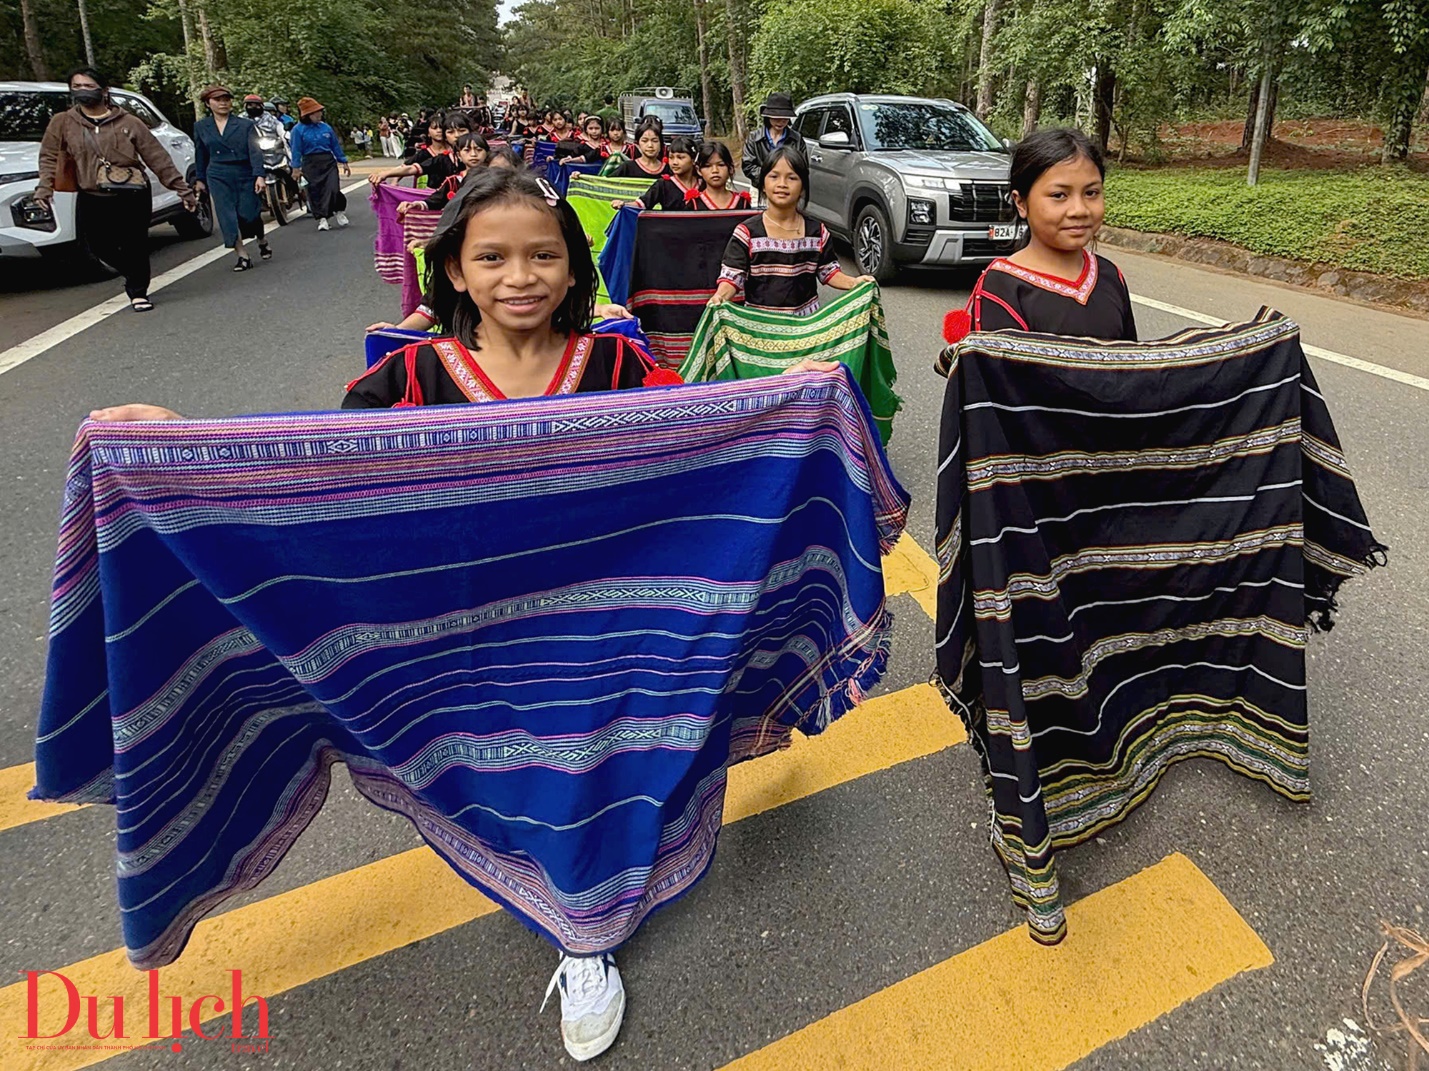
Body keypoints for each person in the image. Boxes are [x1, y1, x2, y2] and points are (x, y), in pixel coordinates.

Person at [941, 127, 1137, 344]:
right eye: (1059, 195)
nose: (1079, 210)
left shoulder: (1110, 275)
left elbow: (1130, 366)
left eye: (1091, 193)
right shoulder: (1003, 286)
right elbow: (996, 375)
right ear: (1021, 202)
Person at [34, 65, 197, 312]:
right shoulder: (63, 122)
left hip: (132, 193)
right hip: (91, 193)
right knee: (100, 245)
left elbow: (157, 157)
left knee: (135, 243)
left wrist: (181, 189)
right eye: (76, 86)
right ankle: (133, 271)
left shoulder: (130, 122)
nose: (82, 91)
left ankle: (138, 291)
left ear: (104, 90)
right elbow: (49, 156)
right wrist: (44, 188)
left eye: (88, 86)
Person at [711, 145, 871, 315]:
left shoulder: (818, 232)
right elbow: (732, 277)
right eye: (774, 176)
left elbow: (828, 271)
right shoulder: (746, 234)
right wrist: (720, 296)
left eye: (792, 178)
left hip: (805, 326)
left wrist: (855, 283)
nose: (782, 184)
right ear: (763, 185)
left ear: (802, 187)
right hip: (760, 326)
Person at [193, 85, 270, 271]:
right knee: (227, 216)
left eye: (226, 99)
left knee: (249, 214)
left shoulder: (245, 125)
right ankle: (242, 255)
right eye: (218, 100)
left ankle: (261, 239)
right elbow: (200, 154)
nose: (223, 103)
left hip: (244, 172)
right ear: (208, 103)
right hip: (218, 174)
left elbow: (255, 150)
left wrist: (259, 175)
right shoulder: (201, 126)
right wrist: (200, 179)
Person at [289, 96, 352, 231]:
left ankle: (339, 211)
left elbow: (335, 145)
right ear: (307, 115)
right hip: (310, 163)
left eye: (320, 112)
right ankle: (323, 219)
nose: (319, 115)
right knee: (315, 192)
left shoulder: (326, 127)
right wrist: (295, 167)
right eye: (315, 112)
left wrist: (344, 161)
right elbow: (296, 150)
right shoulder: (298, 130)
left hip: (327, 161)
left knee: (333, 188)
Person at [398, 132, 489, 216]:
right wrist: (416, 205)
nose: (473, 154)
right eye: (467, 150)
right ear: (459, 155)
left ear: (487, 153)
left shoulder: (497, 178)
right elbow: (434, 202)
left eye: (479, 150)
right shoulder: (453, 182)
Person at [742, 92, 805, 206]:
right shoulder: (754, 137)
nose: (780, 121)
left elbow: (802, 168)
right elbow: (748, 165)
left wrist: (786, 179)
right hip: (760, 190)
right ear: (769, 116)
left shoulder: (797, 139)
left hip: (787, 191)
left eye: (784, 118)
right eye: (776, 118)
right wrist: (769, 179)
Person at [616, 135, 701, 210]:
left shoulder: (704, 184)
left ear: (693, 160)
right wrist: (624, 204)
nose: (674, 162)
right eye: (671, 157)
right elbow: (642, 204)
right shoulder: (663, 185)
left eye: (680, 157)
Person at [693, 141, 752, 211]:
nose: (715, 170)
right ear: (698, 170)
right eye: (707, 166)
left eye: (721, 165)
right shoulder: (694, 204)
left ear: (730, 169)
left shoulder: (743, 203)